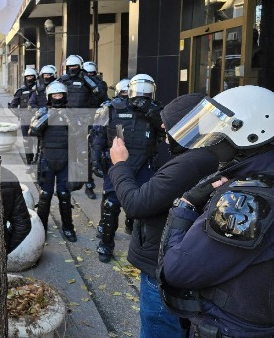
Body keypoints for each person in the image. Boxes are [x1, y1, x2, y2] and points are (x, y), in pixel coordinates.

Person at [157, 85, 274, 337]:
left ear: (250, 134)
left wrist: (185, 208)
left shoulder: (246, 199)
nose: (212, 140)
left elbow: (178, 271)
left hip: (232, 326)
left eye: (219, 132)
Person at [107, 92, 219, 337]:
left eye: (169, 124)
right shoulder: (207, 155)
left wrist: (120, 164)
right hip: (180, 262)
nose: (162, 126)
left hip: (162, 265)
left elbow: (136, 203)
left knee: (158, 327)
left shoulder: (193, 162)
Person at [92, 75, 164, 263]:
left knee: (145, 205)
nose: (141, 95)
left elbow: (167, 130)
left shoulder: (156, 111)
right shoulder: (112, 108)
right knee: (111, 204)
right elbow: (98, 135)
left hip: (144, 163)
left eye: (146, 92)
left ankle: (141, 244)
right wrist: (94, 159)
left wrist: (152, 112)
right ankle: (106, 245)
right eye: (138, 91)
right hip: (117, 161)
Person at [30, 81, 80, 242]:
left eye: (60, 95)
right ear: (49, 97)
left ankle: (68, 227)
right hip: (47, 158)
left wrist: (67, 119)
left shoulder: (71, 113)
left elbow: (79, 133)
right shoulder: (42, 111)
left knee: (65, 194)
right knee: (45, 195)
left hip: (66, 159)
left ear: (64, 96)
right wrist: (48, 117)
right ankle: (41, 229)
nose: (57, 98)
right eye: (54, 95)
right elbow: (33, 130)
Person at [59, 56, 108, 199]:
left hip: (85, 122)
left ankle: (89, 184)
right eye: (70, 66)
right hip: (67, 120)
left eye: (75, 66)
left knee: (84, 154)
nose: (72, 69)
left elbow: (101, 94)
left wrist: (87, 79)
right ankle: (65, 184)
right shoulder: (63, 80)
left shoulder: (89, 81)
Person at [9, 68, 38, 172]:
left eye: (31, 77)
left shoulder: (40, 89)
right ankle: (29, 163)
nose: (29, 79)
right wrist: (20, 113)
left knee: (39, 142)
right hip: (25, 121)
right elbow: (13, 105)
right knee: (27, 142)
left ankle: (38, 162)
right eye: (28, 77)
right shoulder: (21, 90)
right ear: (25, 78)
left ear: (35, 77)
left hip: (38, 120)